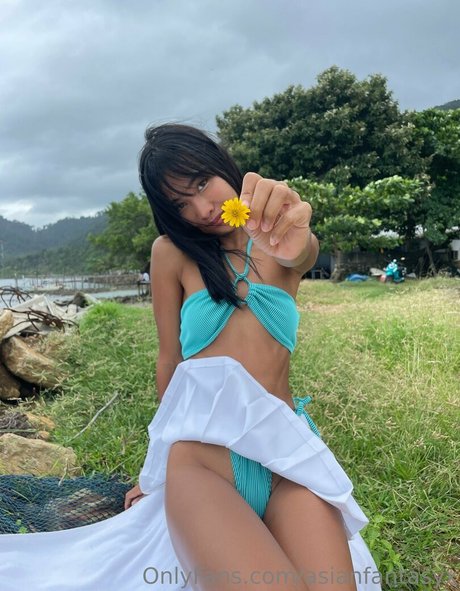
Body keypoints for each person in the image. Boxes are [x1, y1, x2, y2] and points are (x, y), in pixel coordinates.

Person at [0, 124, 381, 591]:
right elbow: (170, 362)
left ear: (223, 166)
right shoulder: (171, 253)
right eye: (180, 204)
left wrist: (295, 232)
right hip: (203, 460)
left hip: (285, 455)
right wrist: (155, 469)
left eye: (202, 183)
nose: (201, 210)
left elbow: (302, 253)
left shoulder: (281, 241)